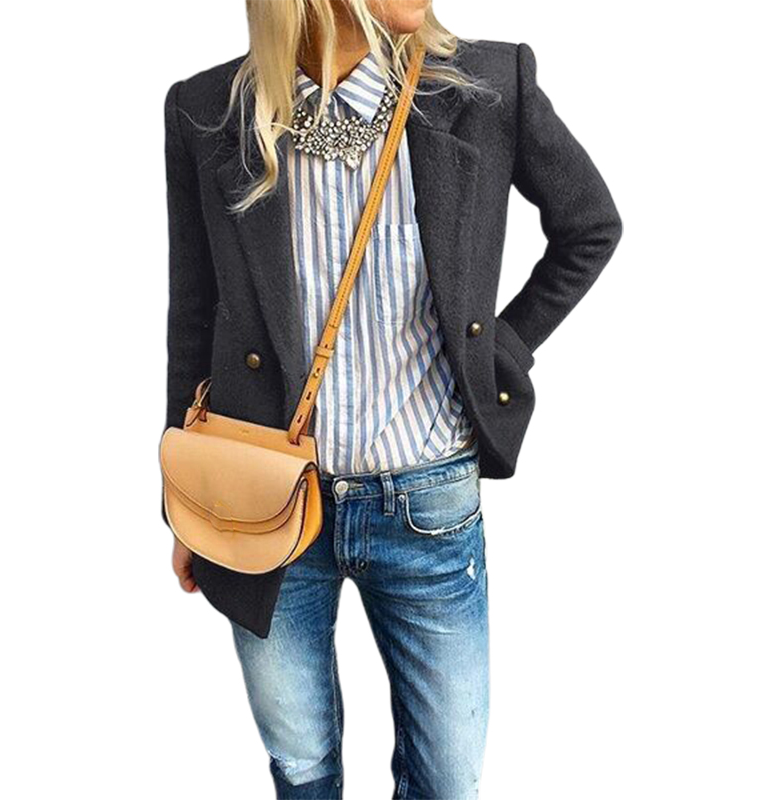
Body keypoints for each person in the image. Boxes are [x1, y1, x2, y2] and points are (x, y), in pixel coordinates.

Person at [161, 0, 622, 796]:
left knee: (447, 782)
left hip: (429, 501)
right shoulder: (207, 113)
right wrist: (182, 503)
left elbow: (590, 225)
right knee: (301, 767)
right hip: (264, 507)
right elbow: (194, 312)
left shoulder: (487, 86)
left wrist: (499, 351)